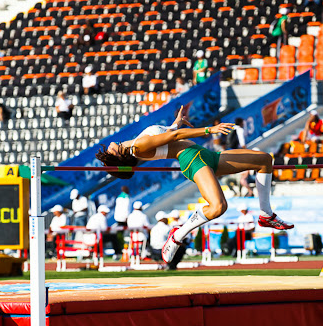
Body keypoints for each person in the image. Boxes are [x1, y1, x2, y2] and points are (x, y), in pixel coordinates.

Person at [96, 105, 294, 264]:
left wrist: (176, 123)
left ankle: (266, 214)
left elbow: (169, 135)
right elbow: (174, 137)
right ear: (120, 158)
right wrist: (209, 129)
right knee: (218, 207)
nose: (109, 148)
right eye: (109, 154)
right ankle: (177, 236)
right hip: (192, 159)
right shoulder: (138, 147)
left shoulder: (134, 143)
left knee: (264, 160)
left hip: (205, 155)